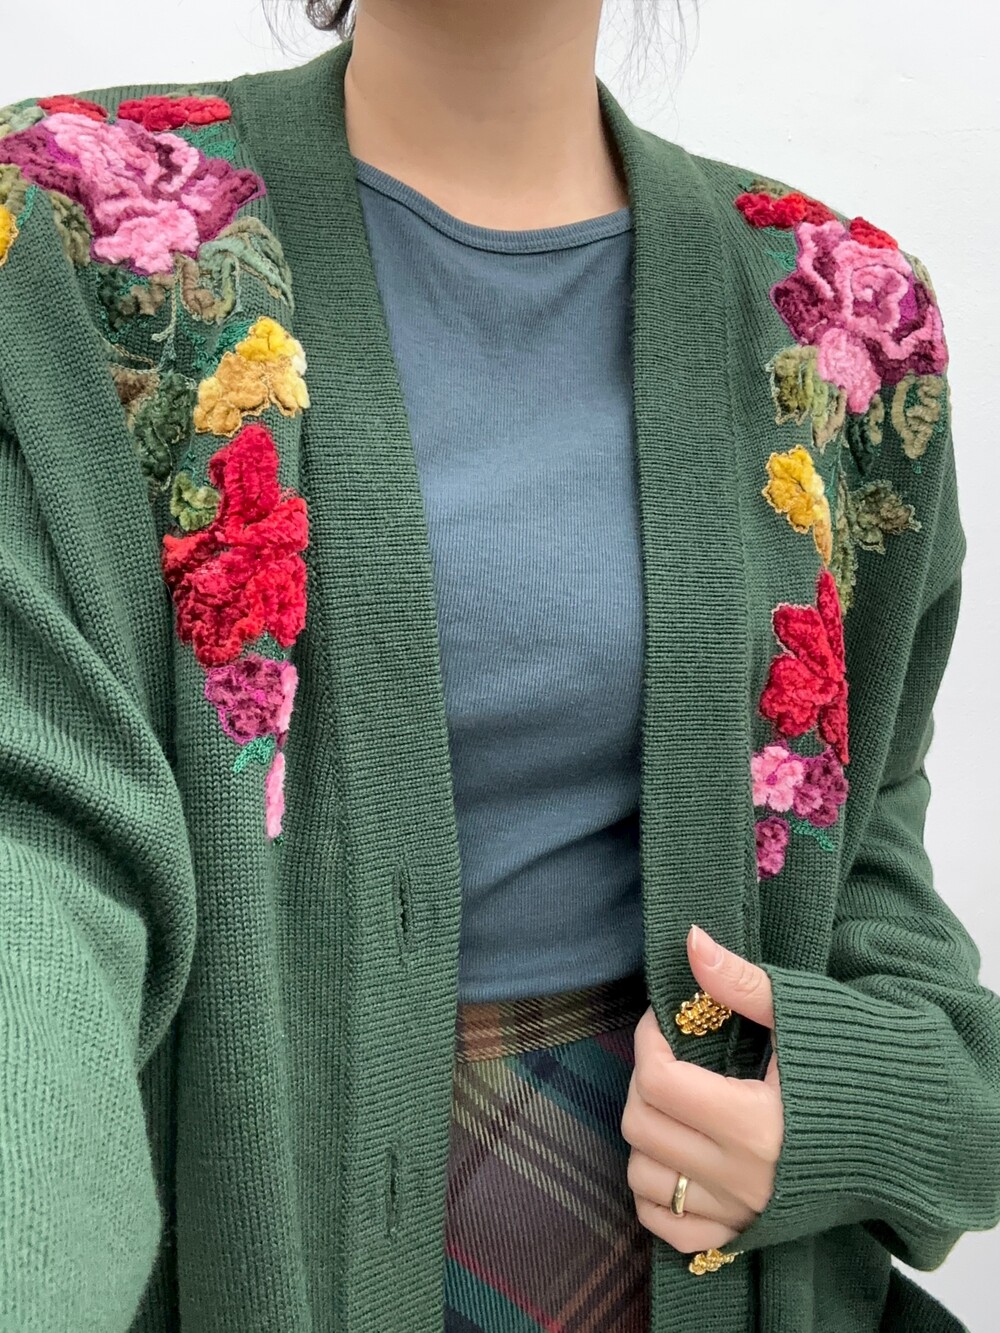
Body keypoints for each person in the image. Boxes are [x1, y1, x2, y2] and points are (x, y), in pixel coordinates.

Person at [0, 1, 997, 1330]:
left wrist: (844, 1106)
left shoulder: (844, 314)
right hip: (263, 1258)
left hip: (710, 1275)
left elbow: (872, 878)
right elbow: (34, 865)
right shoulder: (73, 230)